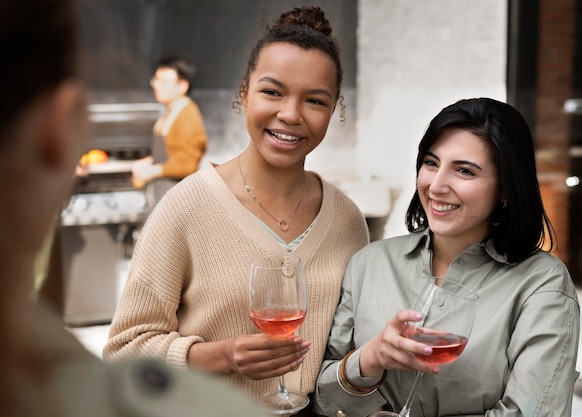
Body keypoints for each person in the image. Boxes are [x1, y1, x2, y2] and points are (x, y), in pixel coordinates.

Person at [103, 5, 370, 414]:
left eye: (314, 100)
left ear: (333, 110)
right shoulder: (186, 208)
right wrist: (220, 357)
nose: (290, 114)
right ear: (244, 93)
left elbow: (346, 354)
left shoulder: (348, 221)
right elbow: (122, 352)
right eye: (272, 91)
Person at [0, 0, 260, 415]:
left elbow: (185, 159)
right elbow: (125, 345)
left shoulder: (186, 120)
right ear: (62, 126)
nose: (156, 85)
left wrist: (153, 167)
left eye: (162, 79)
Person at [313, 98, 580, 417]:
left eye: (465, 171)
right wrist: (369, 359)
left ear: (507, 188)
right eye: (430, 163)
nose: (436, 186)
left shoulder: (543, 285)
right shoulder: (370, 263)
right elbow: (323, 397)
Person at [132, 56, 208, 206]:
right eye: (155, 80)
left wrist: (153, 171)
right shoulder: (170, 113)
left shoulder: (188, 115)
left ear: (183, 86)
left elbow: (187, 163)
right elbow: (169, 154)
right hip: (163, 195)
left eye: (163, 82)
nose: (157, 86)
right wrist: (148, 162)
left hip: (178, 199)